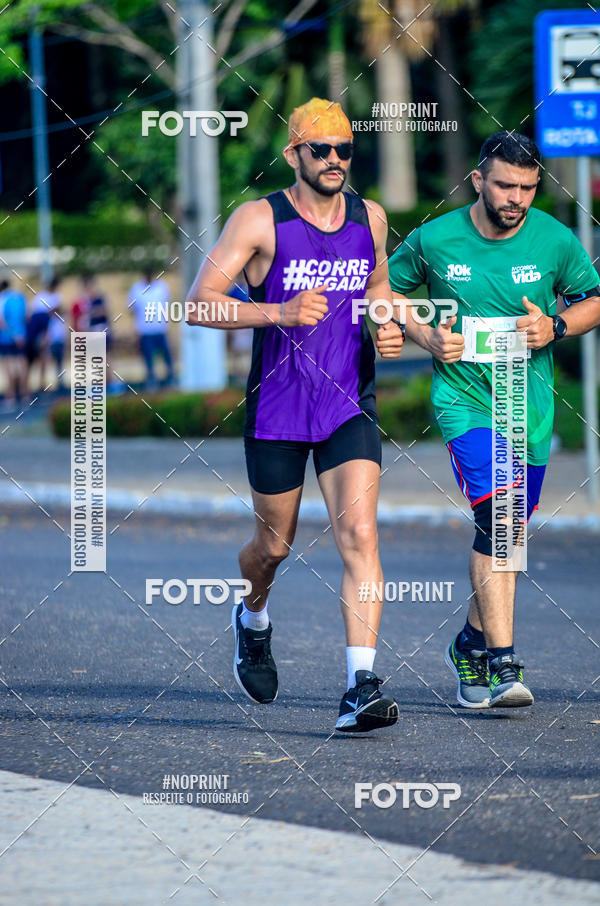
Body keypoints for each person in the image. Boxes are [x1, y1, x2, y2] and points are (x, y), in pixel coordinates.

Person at [186, 97, 405, 733]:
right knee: (272, 547)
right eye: (322, 150)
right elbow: (199, 304)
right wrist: (277, 312)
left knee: (360, 536)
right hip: (278, 408)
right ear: (294, 155)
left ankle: (360, 685)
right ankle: (252, 617)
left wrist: (387, 322)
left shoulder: (371, 217)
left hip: (347, 403)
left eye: (344, 149)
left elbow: (379, 287)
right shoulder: (260, 220)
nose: (335, 160)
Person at [389, 131, 600, 709]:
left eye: (528, 188)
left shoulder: (554, 240)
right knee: (501, 521)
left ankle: (469, 646)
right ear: (479, 180)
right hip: (466, 403)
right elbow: (384, 293)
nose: (517, 199)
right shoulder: (436, 237)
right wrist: (423, 333)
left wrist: (555, 326)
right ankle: (505, 665)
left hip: (525, 406)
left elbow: (593, 299)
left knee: (505, 535)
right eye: (506, 185)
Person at [128, 268, 174, 387]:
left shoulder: (162, 287)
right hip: (145, 330)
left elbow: (167, 305)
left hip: (160, 328)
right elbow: (132, 310)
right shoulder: (136, 289)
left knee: (167, 357)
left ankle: (170, 379)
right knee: (149, 359)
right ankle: (151, 381)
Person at [0, 279, 27, 408]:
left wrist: (12, 334)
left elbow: (1, 321)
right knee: (22, 362)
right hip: (21, 335)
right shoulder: (20, 298)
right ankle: (24, 393)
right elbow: (26, 316)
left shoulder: (2, 299)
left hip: (6, 337)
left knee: (8, 365)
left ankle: (10, 395)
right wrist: (19, 333)